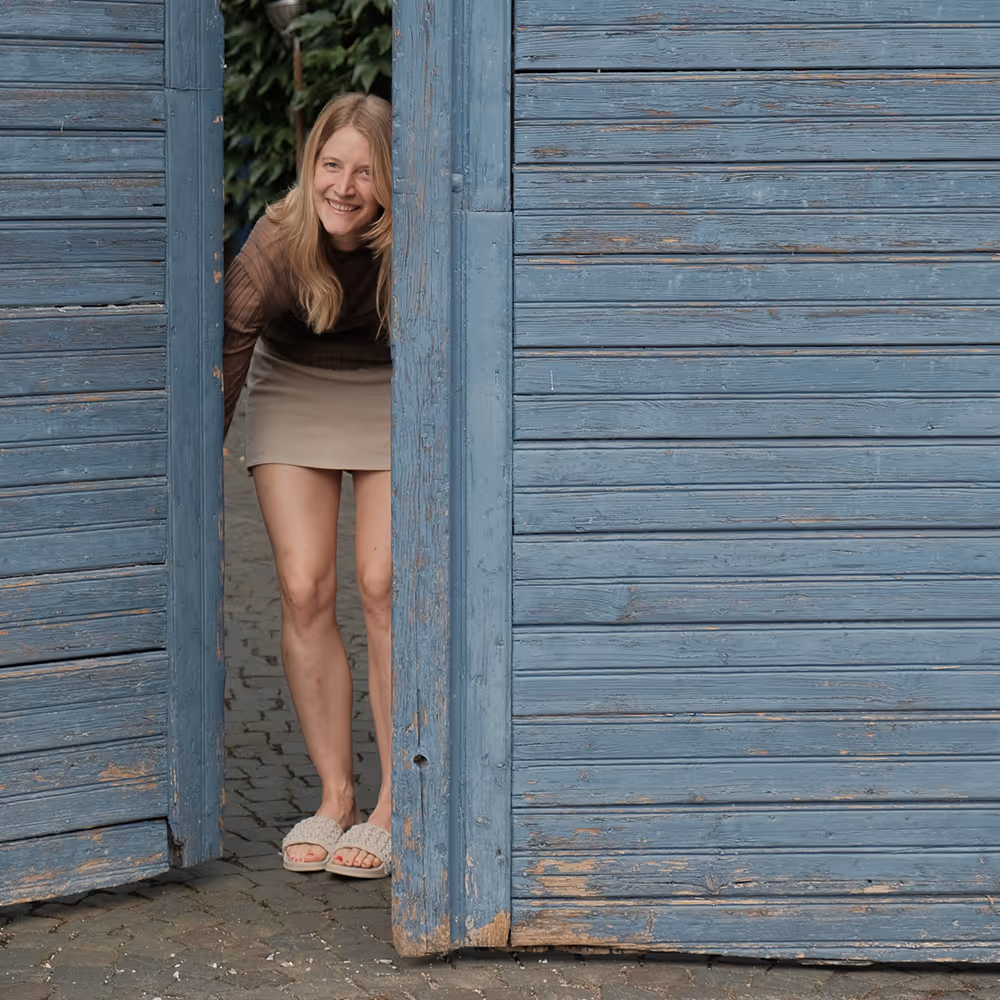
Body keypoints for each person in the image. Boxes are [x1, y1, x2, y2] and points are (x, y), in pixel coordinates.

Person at [222, 93, 393, 878]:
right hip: (291, 387)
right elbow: (226, 359)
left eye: (366, 170)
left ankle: (399, 804)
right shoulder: (275, 242)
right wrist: (187, 488)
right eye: (332, 165)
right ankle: (337, 797)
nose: (345, 187)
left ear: (391, 180)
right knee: (302, 586)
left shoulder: (411, 241)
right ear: (310, 165)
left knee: (385, 582)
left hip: (395, 392)